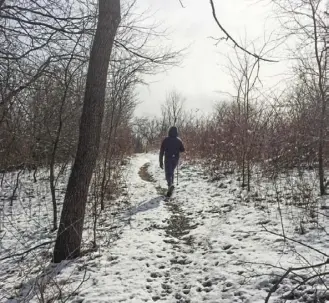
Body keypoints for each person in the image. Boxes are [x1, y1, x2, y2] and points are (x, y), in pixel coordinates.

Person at [159, 126, 185, 196]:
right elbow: (183, 149)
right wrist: (177, 148)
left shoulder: (166, 140)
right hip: (175, 159)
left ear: (169, 131)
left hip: (168, 158)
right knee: (172, 172)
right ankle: (171, 186)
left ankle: (170, 185)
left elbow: (161, 151)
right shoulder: (179, 140)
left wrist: (160, 161)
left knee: (168, 173)